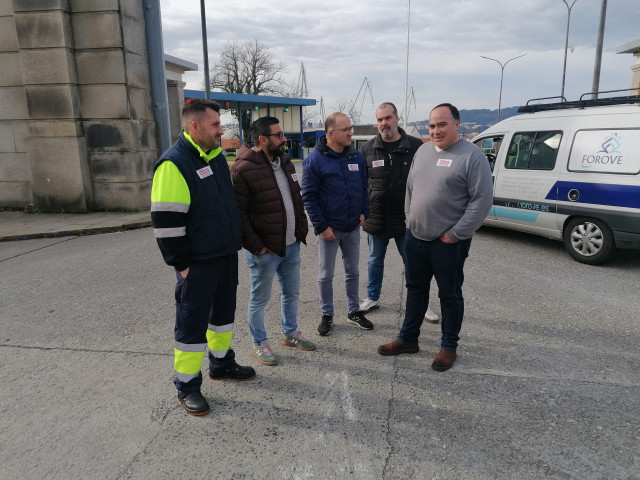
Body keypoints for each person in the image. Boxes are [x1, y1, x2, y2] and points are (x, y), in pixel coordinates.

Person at [151, 98, 255, 416]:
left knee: (222, 316)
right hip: (197, 262)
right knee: (191, 325)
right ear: (194, 126)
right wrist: (182, 265)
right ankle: (187, 385)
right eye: (215, 125)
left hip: (223, 254)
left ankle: (221, 363)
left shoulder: (214, 156)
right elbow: (166, 223)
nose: (220, 131)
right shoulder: (174, 164)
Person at [377, 103, 493, 371]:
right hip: (415, 239)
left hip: (448, 243)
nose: (436, 130)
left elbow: (482, 200)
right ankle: (408, 339)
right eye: (431, 125)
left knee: (449, 295)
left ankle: (448, 346)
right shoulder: (424, 150)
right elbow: (410, 188)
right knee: (415, 290)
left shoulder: (472, 156)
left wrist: (456, 234)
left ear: (457, 124)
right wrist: (409, 220)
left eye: (442, 124)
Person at [230, 117, 315, 366]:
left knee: (291, 293)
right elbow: (239, 214)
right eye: (278, 135)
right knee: (259, 298)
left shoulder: (286, 163)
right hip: (264, 251)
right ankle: (260, 343)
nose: (284, 138)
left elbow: (296, 201)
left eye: (282, 134)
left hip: (291, 244)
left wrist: (300, 230)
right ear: (263, 139)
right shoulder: (242, 169)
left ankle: (290, 334)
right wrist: (256, 246)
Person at [358, 102, 439, 324]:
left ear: (397, 118)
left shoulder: (417, 147)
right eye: (380, 120)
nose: (384, 123)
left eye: (388, 118)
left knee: (414, 263)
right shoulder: (368, 149)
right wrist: (363, 209)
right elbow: (361, 183)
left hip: (407, 219)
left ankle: (422, 303)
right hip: (377, 217)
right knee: (375, 260)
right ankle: (372, 298)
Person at [302, 112, 373, 336]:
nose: (351, 133)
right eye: (346, 130)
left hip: (352, 227)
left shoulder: (356, 157)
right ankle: (327, 314)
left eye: (350, 128)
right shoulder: (314, 161)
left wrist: (364, 211)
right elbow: (309, 197)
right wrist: (322, 227)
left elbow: (364, 187)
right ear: (330, 134)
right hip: (329, 230)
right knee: (326, 274)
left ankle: (354, 311)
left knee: (352, 271)